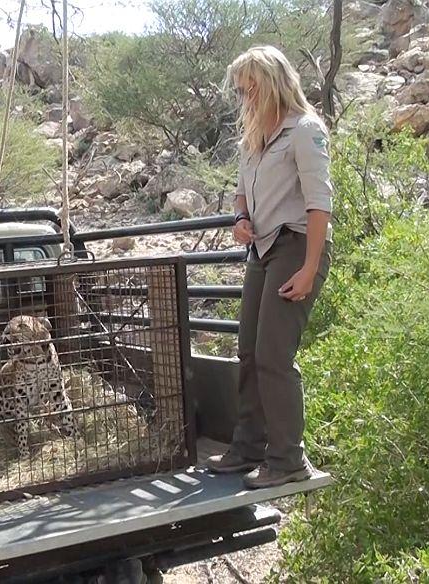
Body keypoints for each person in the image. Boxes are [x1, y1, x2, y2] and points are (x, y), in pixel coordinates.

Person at [206, 46, 333, 488]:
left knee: (273, 356)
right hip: (261, 250)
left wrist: (311, 267)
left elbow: (320, 205)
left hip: (297, 247)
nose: (245, 98)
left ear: (272, 83)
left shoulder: (305, 130)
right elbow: (242, 194)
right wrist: (241, 219)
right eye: (241, 91)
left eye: (250, 88)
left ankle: (288, 460)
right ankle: (248, 447)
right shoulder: (253, 138)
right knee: (247, 350)